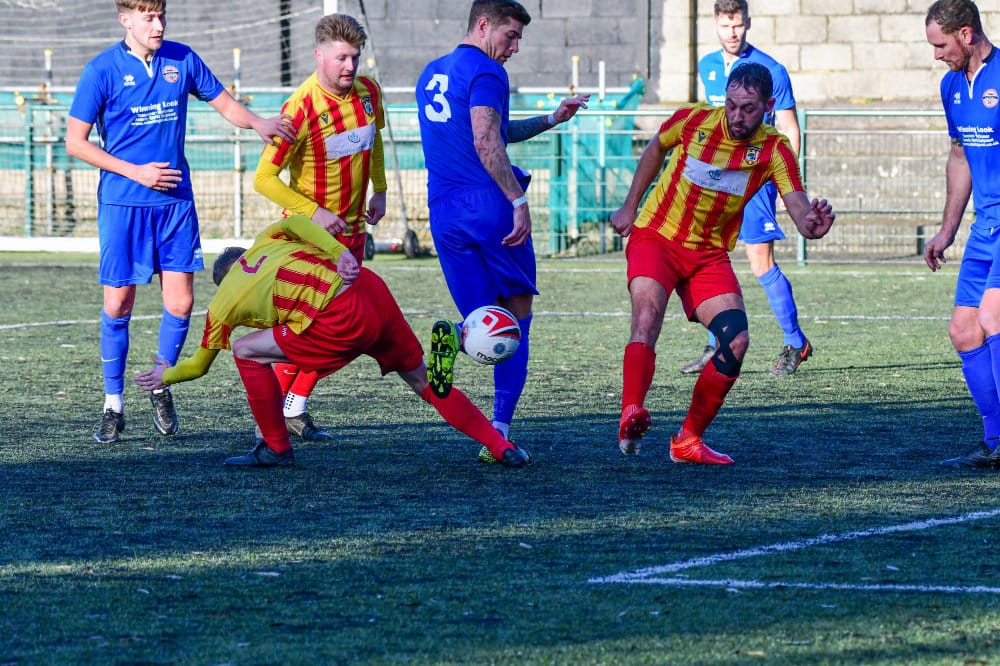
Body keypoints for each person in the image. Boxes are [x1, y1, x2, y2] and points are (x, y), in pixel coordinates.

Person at [65, 0, 295, 444]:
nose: (158, 24)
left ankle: (161, 382)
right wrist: (136, 172)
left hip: (175, 204)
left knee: (182, 303)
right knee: (118, 305)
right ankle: (113, 404)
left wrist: (257, 122)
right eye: (148, 17)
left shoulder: (182, 58)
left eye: (161, 15)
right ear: (125, 19)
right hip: (124, 204)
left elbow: (225, 104)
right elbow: (76, 142)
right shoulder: (101, 70)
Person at [134, 214, 531, 469]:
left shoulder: (224, 302)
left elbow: (198, 366)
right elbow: (300, 222)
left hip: (339, 319)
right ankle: (500, 446)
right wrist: (339, 251)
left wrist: (165, 376)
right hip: (369, 288)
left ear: (223, 279)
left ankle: (275, 446)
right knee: (424, 383)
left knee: (246, 350)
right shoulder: (268, 240)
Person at [611, 62, 834, 465]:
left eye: (748, 108)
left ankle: (688, 440)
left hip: (708, 254)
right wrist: (630, 205)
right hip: (657, 236)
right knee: (647, 315)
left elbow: (799, 207)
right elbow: (656, 147)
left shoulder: (774, 149)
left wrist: (812, 225)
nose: (736, 115)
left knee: (736, 341)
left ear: (768, 107)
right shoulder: (694, 119)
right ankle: (631, 412)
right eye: (731, 105)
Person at [415, 0, 590, 462]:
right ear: (483, 25)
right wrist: (518, 200)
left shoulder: (431, 73)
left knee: (484, 319)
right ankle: (500, 429)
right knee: (516, 317)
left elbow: (493, 129)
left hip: (444, 213)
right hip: (488, 205)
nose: (514, 47)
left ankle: (457, 336)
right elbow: (486, 139)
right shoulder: (488, 70)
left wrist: (551, 119)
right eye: (510, 35)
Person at [253, 13, 388, 443]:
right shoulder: (300, 107)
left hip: (353, 233)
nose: (350, 66)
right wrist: (312, 213)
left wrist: (380, 189)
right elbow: (263, 179)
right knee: (309, 328)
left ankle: (294, 407)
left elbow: (374, 142)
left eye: (355, 57)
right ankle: (270, 424)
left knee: (341, 330)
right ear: (319, 55)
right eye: (341, 58)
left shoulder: (369, 92)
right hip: (310, 240)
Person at [681, 0, 810, 377]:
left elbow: (790, 129)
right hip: (715, 179)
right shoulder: (707, 66)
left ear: (747, 23)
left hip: (754, 179)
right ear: (715, 25)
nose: (732, 32)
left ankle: (795, 343)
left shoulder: (772, 70)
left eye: (737, 24)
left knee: (760, 261)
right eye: (725, 25)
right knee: (705, 257)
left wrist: (787, 186)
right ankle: (715, 344)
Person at [924, 0, 1000, 470]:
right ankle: (994, 441)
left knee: (993, 316)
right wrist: (947, 229)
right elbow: (959, 157)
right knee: (964, 330)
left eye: (941, 45)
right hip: (984, 226)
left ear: (966, 34)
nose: (936, 55)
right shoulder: (951, 85)